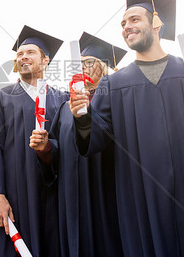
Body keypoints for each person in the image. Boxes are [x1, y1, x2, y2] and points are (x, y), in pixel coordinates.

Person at [69, 0, 184, 256]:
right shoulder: (114, 84)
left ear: (156, 23)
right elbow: (98, 137)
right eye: (122, 24)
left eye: (134, 19)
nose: (126, 27)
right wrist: (82, 117)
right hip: (142, 197)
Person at [0, 25, 68, 257]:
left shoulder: (62, 98)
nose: (23, 57)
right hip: (14, 193)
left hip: (55, 191)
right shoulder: (1, 97)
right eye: (19, 54)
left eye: (30, 52)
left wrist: (48, 148)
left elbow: (68, 146)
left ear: (45, 60)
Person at [49, 32, 126, 257]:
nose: (81, 68)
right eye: (78, 64)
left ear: (103, 67)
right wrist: (44, 149)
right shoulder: (65, 108)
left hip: (107, 191)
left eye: (89, 63)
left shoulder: (118, 100)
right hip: (72, 195)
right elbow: (56, 153)